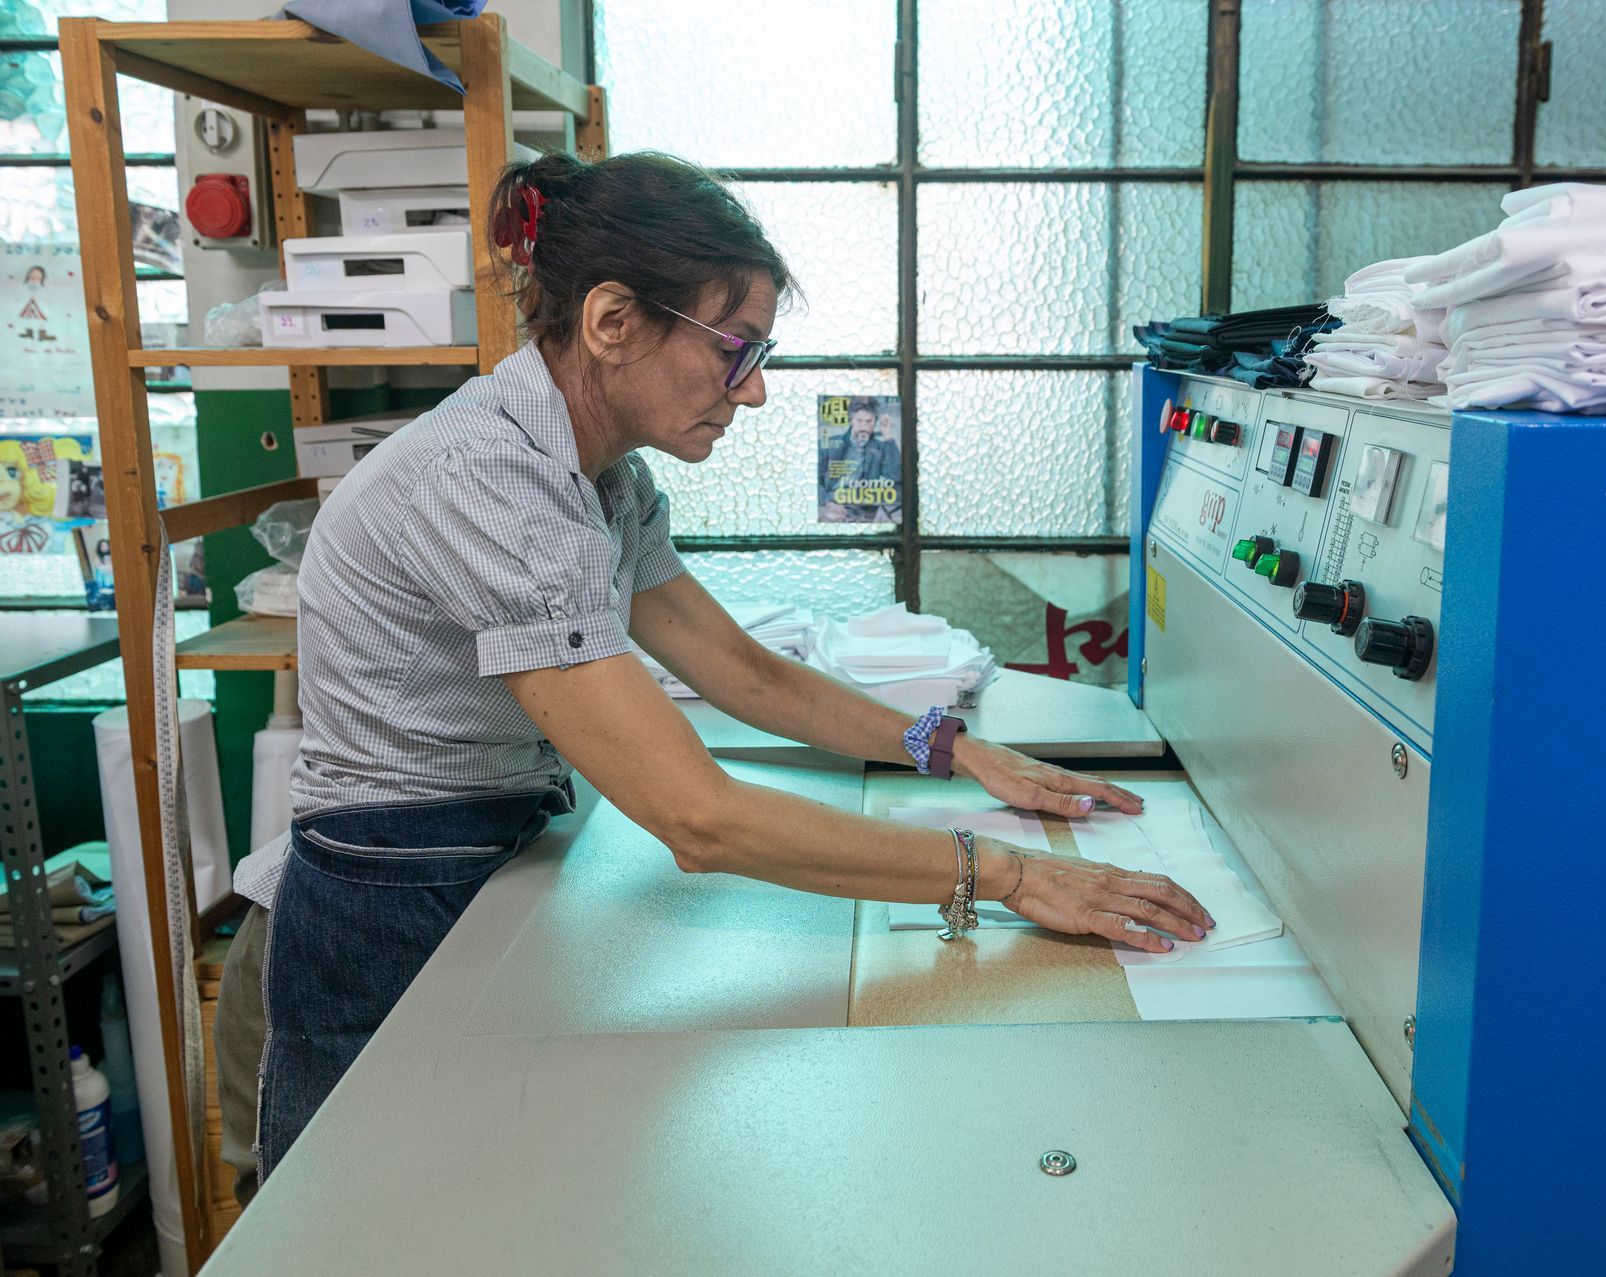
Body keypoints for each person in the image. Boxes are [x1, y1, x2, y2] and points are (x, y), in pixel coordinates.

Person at [214, 150, 1211, 1200]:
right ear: (611, 322)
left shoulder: (602, 477)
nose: (759, 389)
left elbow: (741, 669)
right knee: (369, 1226)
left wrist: (953, 746)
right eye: (736, 350)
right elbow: (700, 817)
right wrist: (1010, 873)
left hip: (478, 867)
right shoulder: (490, 481)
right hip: (377, 914)